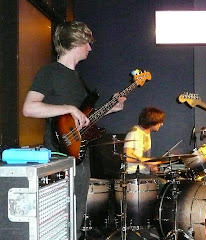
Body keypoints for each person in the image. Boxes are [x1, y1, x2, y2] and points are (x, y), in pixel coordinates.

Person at [22, 21, 126, 240]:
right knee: (57, 218)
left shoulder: (78, 79)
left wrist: (111, 108)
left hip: (80, 156)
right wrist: (67, 107)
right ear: (76, 42)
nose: (90, 48)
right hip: (58, 156)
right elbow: (29, 108)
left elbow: (83, 119)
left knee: (75, 217)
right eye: (87, 43)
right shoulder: (50, 72)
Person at [123, 107, 165, 174]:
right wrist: (148, 161)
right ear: (153, 120)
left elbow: (141, 156)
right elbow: (126, 157)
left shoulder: (147, 133)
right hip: (133, 173)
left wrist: (150, 165)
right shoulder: (134, 132)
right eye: (160, 121)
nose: (161, 124)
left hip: (143, 173)